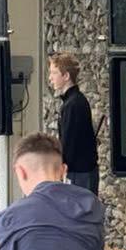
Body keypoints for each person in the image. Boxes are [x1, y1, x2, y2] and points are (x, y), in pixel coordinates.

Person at [47, 52, 99, 194]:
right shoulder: (75, 101)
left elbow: (68, 143)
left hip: (79, 174)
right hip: (81, 172)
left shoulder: (73, 104)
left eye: (54, 73)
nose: (50, 78)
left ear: (66, 76)